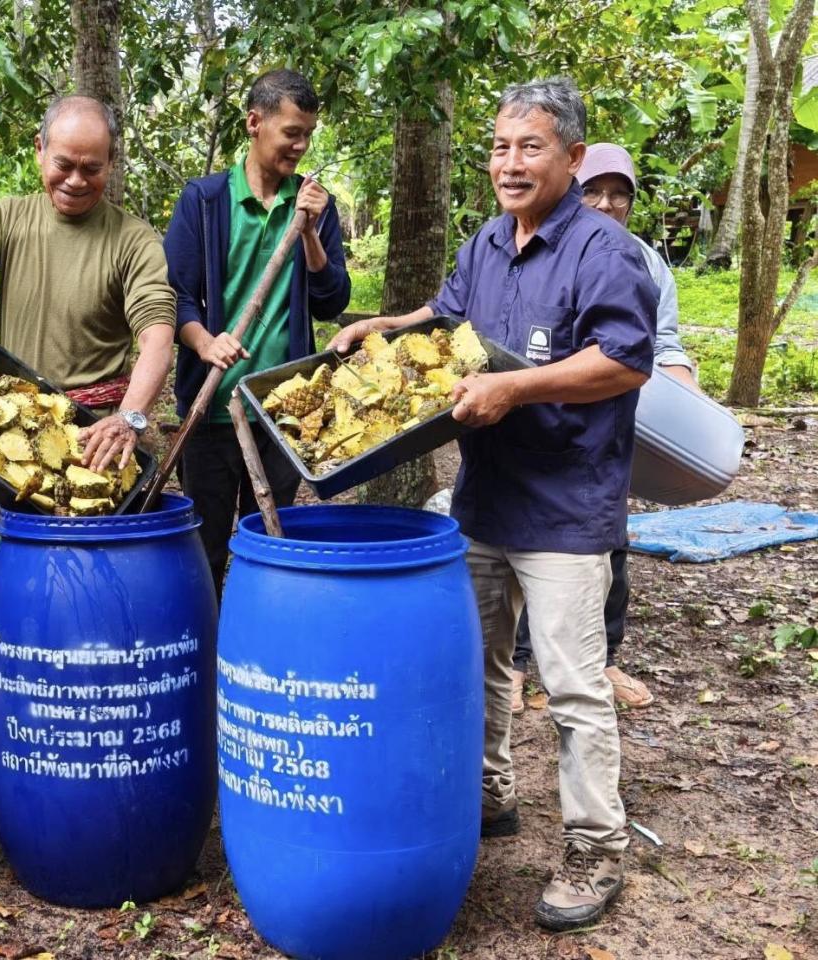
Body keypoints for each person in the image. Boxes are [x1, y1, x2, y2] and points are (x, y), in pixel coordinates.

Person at [331, 78, 657, 930]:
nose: (511, 164)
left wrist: (515, 387)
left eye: (532, 147)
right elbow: (447, 318)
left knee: (574, 685)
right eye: (502, 147)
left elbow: (624, 363)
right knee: (479, 663)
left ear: (574, 160)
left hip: (565, 507)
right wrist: (384, 327)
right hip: (484, 500)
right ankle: (490, 794)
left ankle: (596, 849)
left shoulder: (603, 251)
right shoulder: (486, 241)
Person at [0, 94, 176, 638]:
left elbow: (156, 334)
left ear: (111, 164)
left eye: (92, 168)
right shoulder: (10, 218)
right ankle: (1, 687)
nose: (76, 180)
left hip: (97, 434)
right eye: (64, 164)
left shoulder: (133, 240)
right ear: (40, 152)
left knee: (99, 586)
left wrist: (129, 418)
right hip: (13, 431)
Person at [510, 141, 697, 715]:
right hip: (539, 422)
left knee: (607, 540)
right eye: (595, 190)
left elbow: (663, 341)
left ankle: (603, 656)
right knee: (518, 539)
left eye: (620, 195)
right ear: (570, 183)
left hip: (606, 428)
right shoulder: (535, 245)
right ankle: (514, 664)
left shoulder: (644, 261)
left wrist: (684, 383)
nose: (608, 204)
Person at [164, 69, 350, 587]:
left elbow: (331, 301)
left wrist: (310, 232)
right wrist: (205, 341)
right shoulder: (204, 201)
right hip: (212, 405)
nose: (301, 145)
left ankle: (256, 652)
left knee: (268, 541)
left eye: (308, 134)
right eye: (292, 132)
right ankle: (206, 654)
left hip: (283, 412)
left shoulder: (314, 203)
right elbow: (173, 295)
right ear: (254, 123)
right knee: (206, 548)